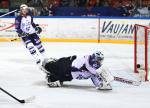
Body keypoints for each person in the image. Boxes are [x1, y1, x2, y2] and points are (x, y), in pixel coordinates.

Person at [40, 51, 114, 90]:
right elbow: (90, 69)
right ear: (95, 59)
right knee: (52, 69)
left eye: (101, 60)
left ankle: (52, 73)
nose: (100, 62)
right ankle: (48, 67)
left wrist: (101, 84)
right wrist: (97, 73)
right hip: (67, 67)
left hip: (70, 75)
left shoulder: (95, 67)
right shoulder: (87, 59)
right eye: (99, 60)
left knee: (60, 79)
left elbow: (95, 78)